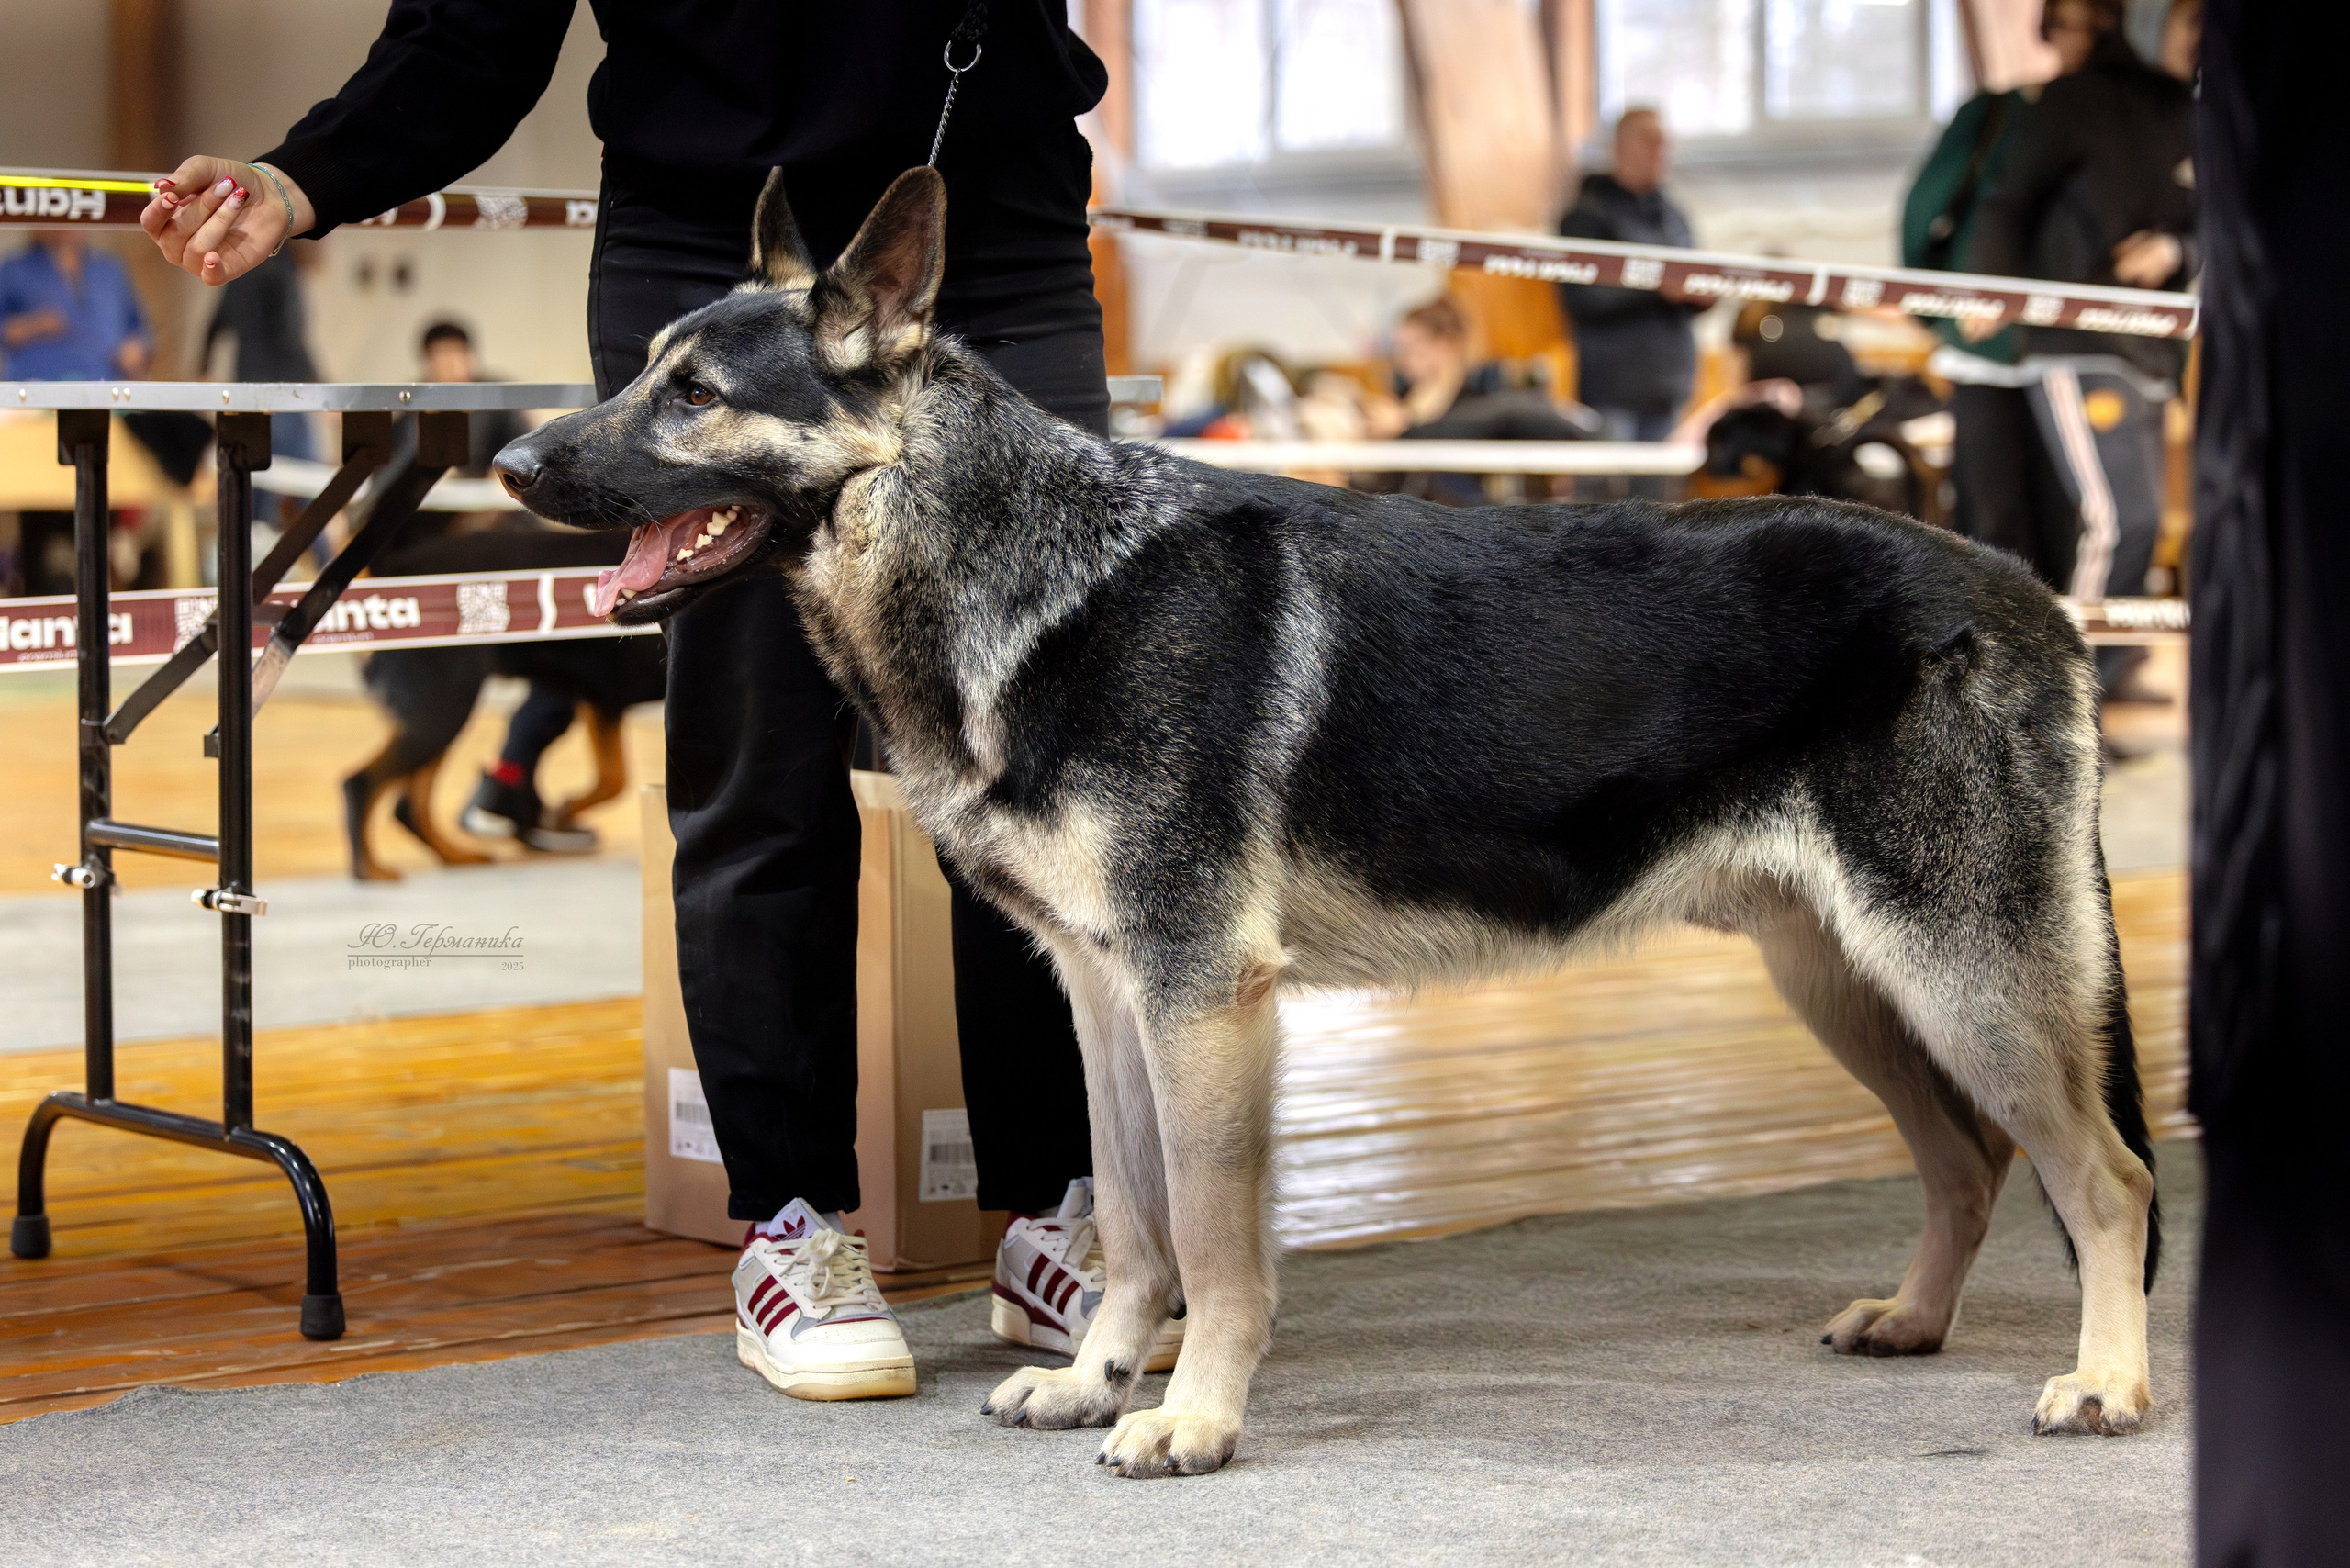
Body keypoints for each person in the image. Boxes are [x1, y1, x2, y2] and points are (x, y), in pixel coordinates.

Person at [137, 1, 1158, 1402]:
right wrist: (304, 178)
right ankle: (794, 1226)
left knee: (1029, 769)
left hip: (988, 228)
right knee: (758, 758)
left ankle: (1064, 1211)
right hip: (718, 239)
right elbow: (463, 35)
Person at [1966, 0, 2198, 698]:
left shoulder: (2193, 112)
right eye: (2192, 24)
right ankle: (2069, 703)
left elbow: (2214, 219)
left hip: (2152, 350)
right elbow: (2005, 200)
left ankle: (2108, 678)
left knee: (2142, 523)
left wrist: (2176, 247)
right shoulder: (2072, 101)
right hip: (2079, 343)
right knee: (2117, 521)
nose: (2205, 41)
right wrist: (1987, 291)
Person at [1556, 107, 1705, 496]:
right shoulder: (1584, 217)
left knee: (1656, 515)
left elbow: (1693, 282)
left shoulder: (1672, 215)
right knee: (1596, 511)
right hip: (1613, 389)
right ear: (1618, 147)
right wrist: (1659, 287)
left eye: (1664, 141)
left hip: (1669, 386)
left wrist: (1703, 294)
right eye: (1648, 140)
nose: (1659, 151)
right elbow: (1583, 298)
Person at [1, 234, 153, 595]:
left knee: (108, 496)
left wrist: (138, 348)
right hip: (37, 406)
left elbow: (141, 329)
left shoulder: (109, 270)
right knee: (44, 504)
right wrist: (34, 326)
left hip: (105, 399)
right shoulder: (15, 269)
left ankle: (106, 591)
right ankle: (45, 591)